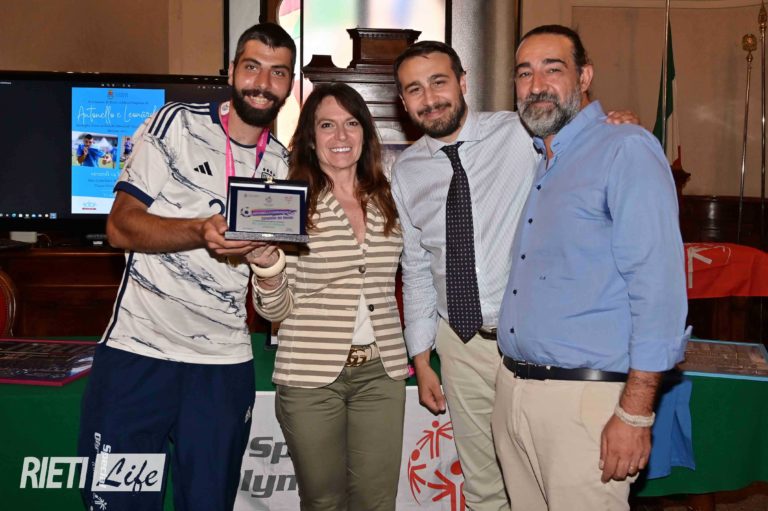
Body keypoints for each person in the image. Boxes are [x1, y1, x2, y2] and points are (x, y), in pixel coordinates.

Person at [391, 41, 636, 511]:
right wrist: (421, 358)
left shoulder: (520, 131)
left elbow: (577, 139)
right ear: (403, 102)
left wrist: (614, 125)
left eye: (439, 82)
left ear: (463, 82)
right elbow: (417, 267)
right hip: (457, 344)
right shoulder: (406, 170)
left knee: (545, 482)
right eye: (415, 89)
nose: (430, 98)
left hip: (527, 344)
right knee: (483, 485)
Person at [77, 22, 295, 511]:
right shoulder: (175, 123)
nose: (262, 83)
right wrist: (199, 230)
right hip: (138, 354)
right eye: (252, 67)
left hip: (221, 366)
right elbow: (120, 226)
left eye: (278, 72)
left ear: (288, 84)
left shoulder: (281, 166)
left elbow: (273, 301)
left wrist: (267, 265)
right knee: (120, 504)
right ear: (232, 71)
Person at [491, 25, 690, 511]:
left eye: (552, 69)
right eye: (524, 73)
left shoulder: (625, 149)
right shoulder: (543, 159)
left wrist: (636, 413)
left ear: (584, 77)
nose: (536, 84)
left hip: (585, 403)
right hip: (515, 393)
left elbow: (658, 292)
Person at [248, 82, 409, 511]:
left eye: (351, 123)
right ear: (310, 137)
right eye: (327, 125)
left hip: (381, 373)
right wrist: (267, 268)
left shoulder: (390, 197)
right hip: (309, 378)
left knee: (378, 502)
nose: (340, 135)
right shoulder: (288, 201)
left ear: (365, 134)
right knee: (324, 502)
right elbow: (275, 309)